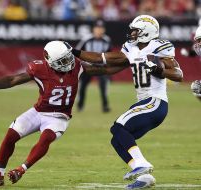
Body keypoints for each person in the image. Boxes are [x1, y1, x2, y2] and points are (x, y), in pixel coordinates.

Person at [0, 41, 124, 187]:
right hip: (39, 111)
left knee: (46, 138)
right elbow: (13, 80)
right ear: (50, 60)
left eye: (68, 58)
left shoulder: (77, 65)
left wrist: (130, 63)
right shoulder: (39, 68)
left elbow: (105, 69)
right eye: (62, 60)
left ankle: (21, 169)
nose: (68, 62)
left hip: (59, 117)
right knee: (10, 135)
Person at [71, 15, 183, 189]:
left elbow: (178, 74)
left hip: (155, 102)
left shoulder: (159, 47)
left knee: (119, 127)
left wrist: (158, 69)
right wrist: (76, 59)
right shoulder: (130, 48)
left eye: (136, 30)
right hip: (144, 103)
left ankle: (142, 165)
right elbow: (105, 64)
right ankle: (144, 177)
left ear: (146, 32)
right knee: (117, 139)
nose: (132, 33)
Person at [76, 20, 112, 112]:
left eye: (101, 28)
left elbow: (110, 54)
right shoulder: (86, 39)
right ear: (93, 29)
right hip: (88, 66)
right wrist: (82, 63)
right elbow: (77, 51)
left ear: (104, 30)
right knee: (82, 86)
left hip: (101, 67)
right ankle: (80, 106)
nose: (99, 30)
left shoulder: (106, 40)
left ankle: (105, 106)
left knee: (104, 86)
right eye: (97, 28)